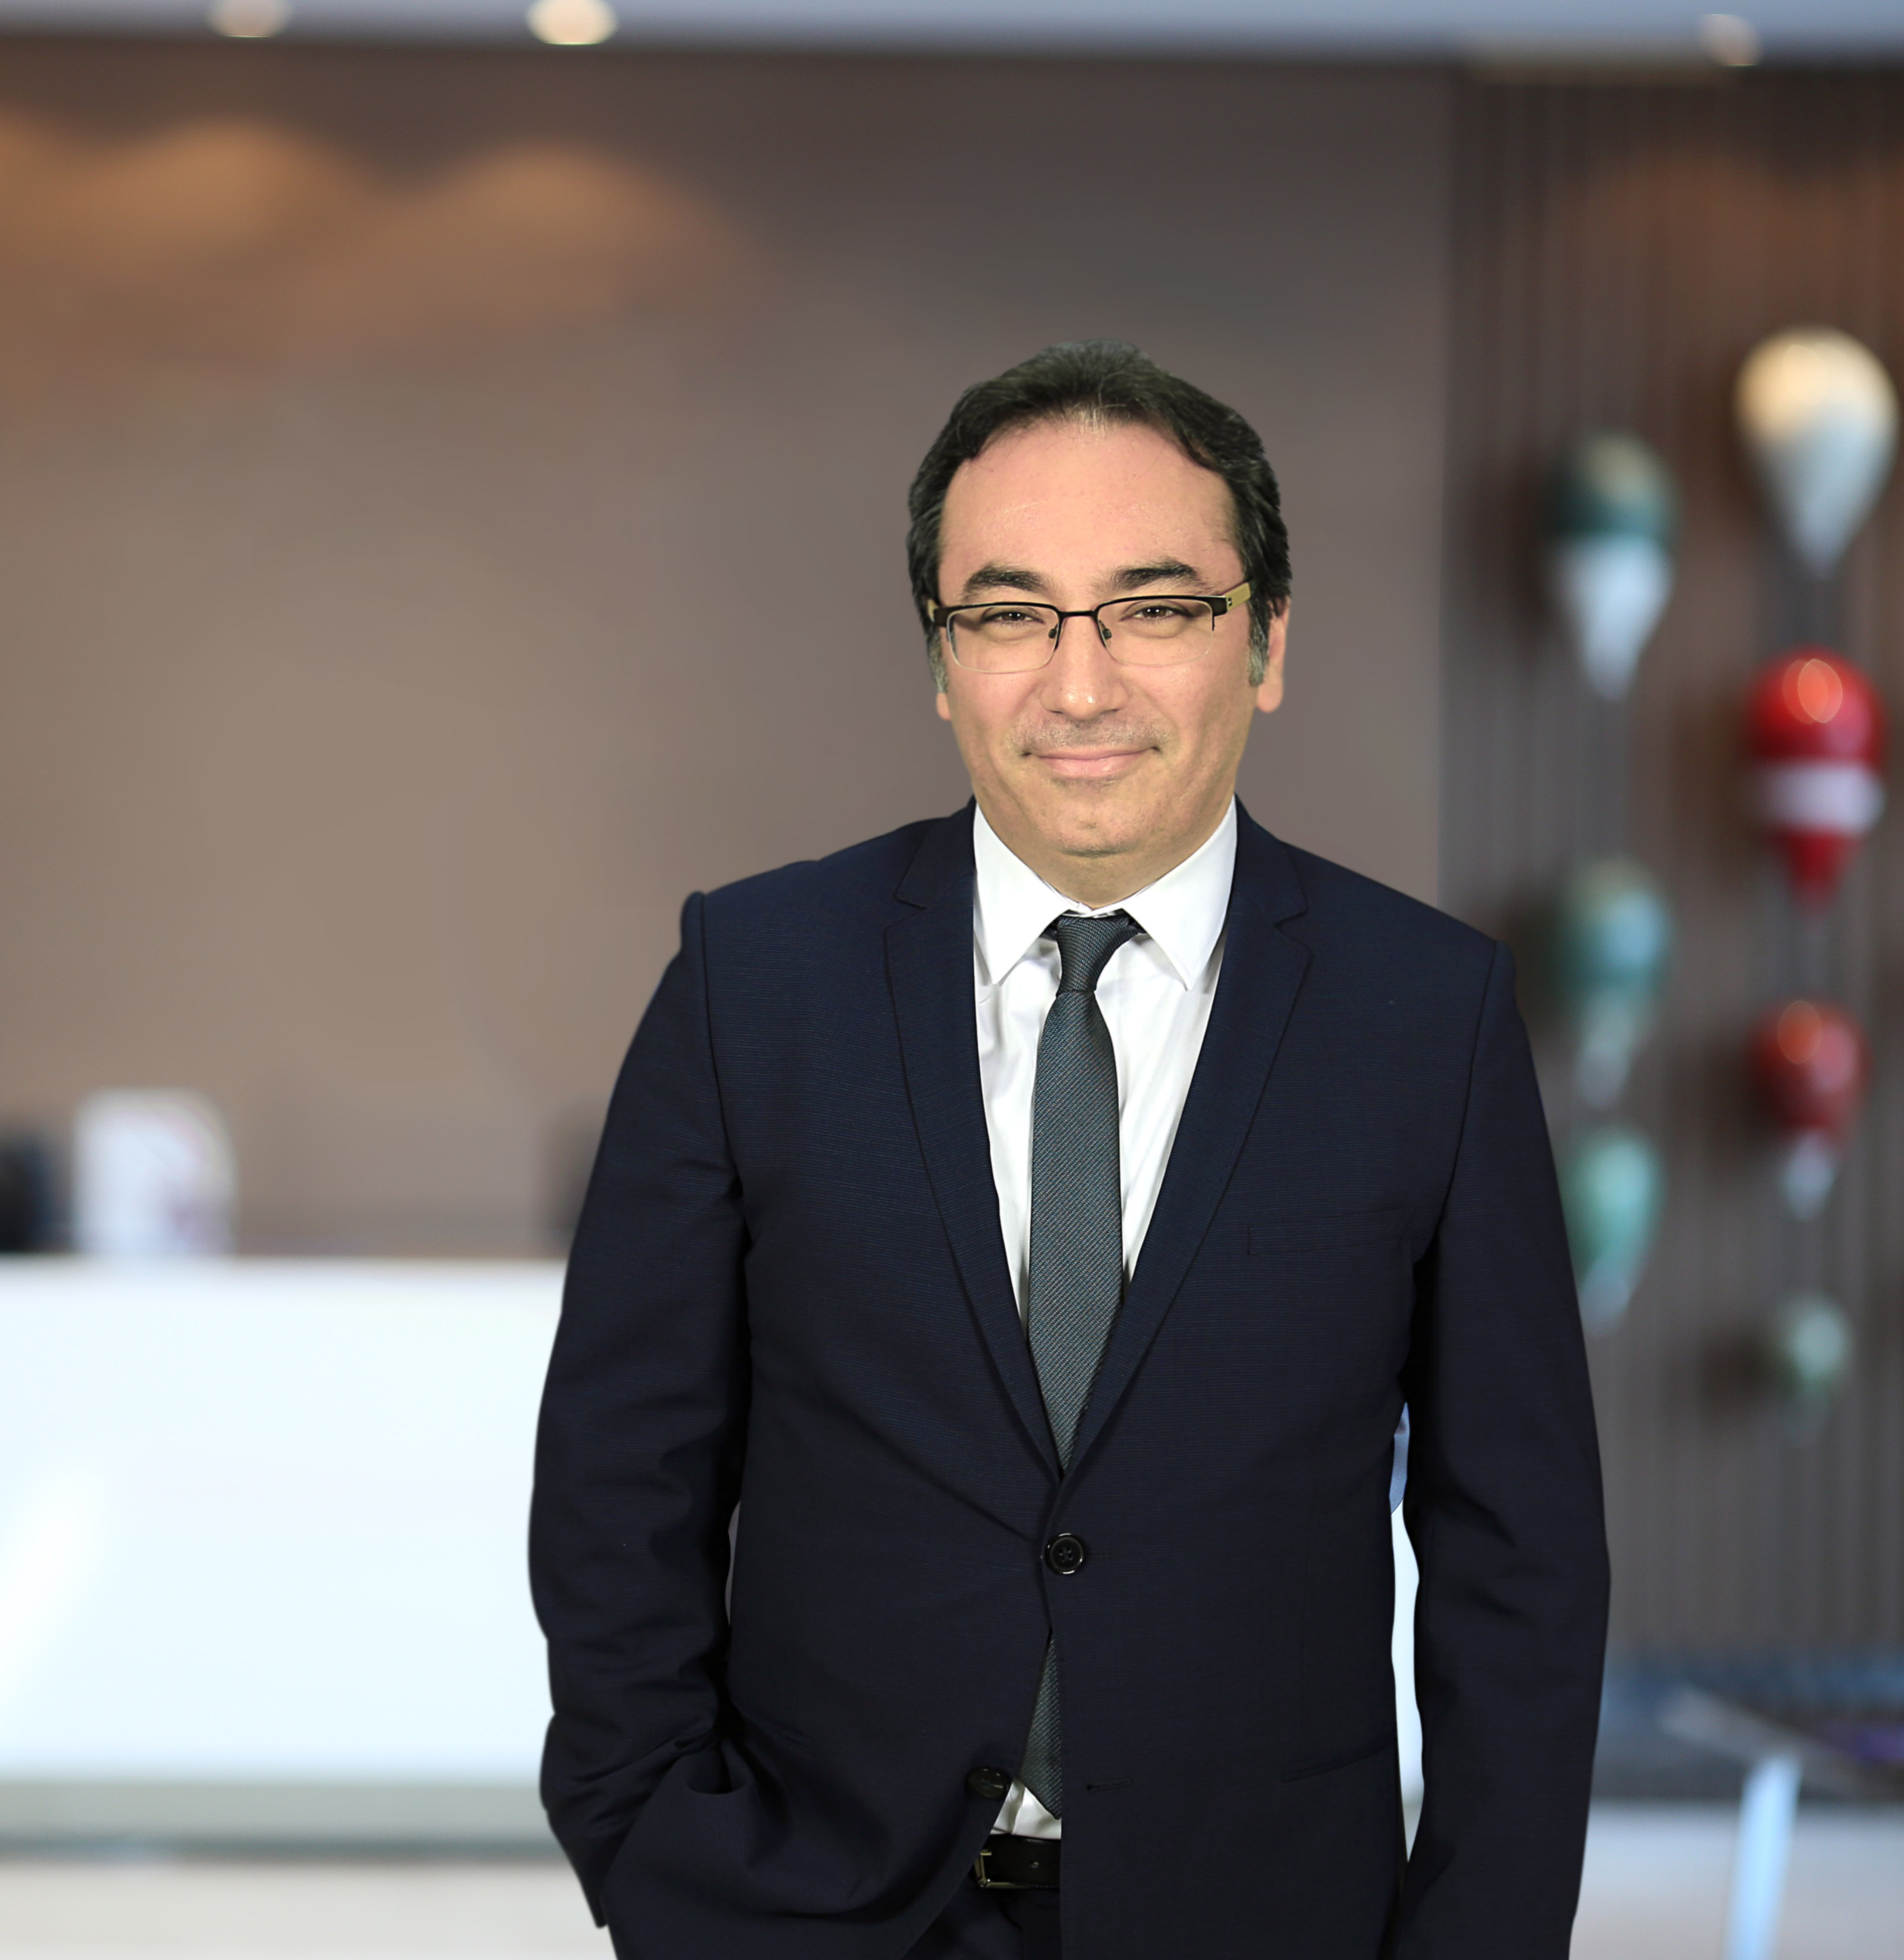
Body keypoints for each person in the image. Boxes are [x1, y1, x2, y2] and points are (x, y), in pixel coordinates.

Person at [530, 341, 1608, 1960]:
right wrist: (666, 1865)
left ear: (1267, 642)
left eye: (1155, 610)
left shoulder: (1428, 1015)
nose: (1080, 685)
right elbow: (623, 1482)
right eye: (1011, 614)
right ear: (941, 657)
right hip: (814, 1914)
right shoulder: (752, 983)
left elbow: (1518, 1555)